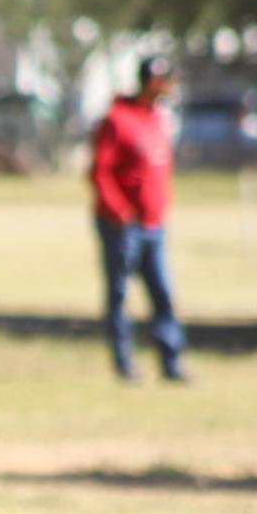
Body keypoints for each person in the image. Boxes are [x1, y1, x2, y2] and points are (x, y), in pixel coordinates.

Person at [90, 55, 188, 383]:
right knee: (120, 295)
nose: (169, 86)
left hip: (153, 224)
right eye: (164, 80)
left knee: (162, 293)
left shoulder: (158, 118)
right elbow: (99, 172)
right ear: (150, 81)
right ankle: (124, 363)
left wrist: (163, 203)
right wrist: (117, 209)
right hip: (122, 226)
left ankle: (171, 362)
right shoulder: (117, 119)